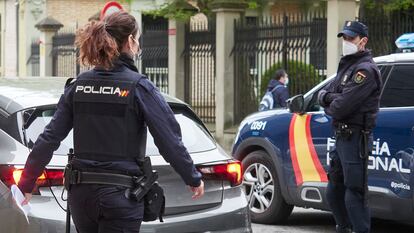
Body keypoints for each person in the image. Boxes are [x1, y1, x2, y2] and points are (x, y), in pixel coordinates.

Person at [17, 11, 204, 233]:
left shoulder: (79, 85)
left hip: (81, 197)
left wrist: (26, 183)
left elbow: (49, 138)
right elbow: (169, 140)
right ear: (131, 41)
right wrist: (192, 177)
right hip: (121, 197)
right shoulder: (139, 87)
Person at [318, 21, 382, 233]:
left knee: (355, 192)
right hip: (341, 136)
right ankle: (343, 227)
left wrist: (331, 99)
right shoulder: (347, 65)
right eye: (344, 38)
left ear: (362, 41)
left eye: (350, 38)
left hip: (355, 138)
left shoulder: (365, 71)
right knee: (334, 190)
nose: (346, 42)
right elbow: (325, 95)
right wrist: (332, 98)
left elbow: (340, 107)